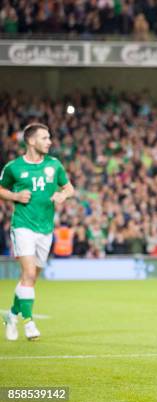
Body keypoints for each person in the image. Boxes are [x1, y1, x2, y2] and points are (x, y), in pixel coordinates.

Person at [1, 123, 74, 341]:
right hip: (23, 226)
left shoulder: (54, 165)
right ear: (31, 141)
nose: (49, 141)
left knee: (30, 278)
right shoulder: (14, 167)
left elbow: (69, 187)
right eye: (44, 138)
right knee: (29, 274)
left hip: (46, 229)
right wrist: (15, 197)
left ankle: (12, 314)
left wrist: (63, 196)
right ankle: (29, 323)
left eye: (49, 137)